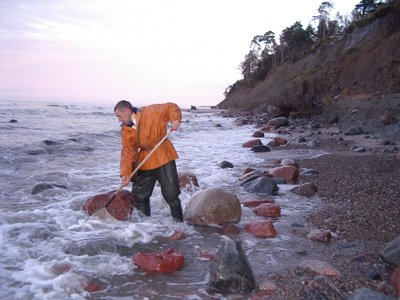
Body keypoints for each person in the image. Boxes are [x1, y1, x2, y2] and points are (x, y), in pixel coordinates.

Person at [114, 100, 183, 222]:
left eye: (119, 116)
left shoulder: (150, 111)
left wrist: (175, 120)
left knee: (171, 194)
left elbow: (170, 107)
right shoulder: (126, 129)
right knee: (139, 194)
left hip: (163, 155)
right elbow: (127, 152)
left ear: (128, 111)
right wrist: (125, 173)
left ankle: (179, 224)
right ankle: (146, 226)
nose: (118, 119)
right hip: (145, 159)